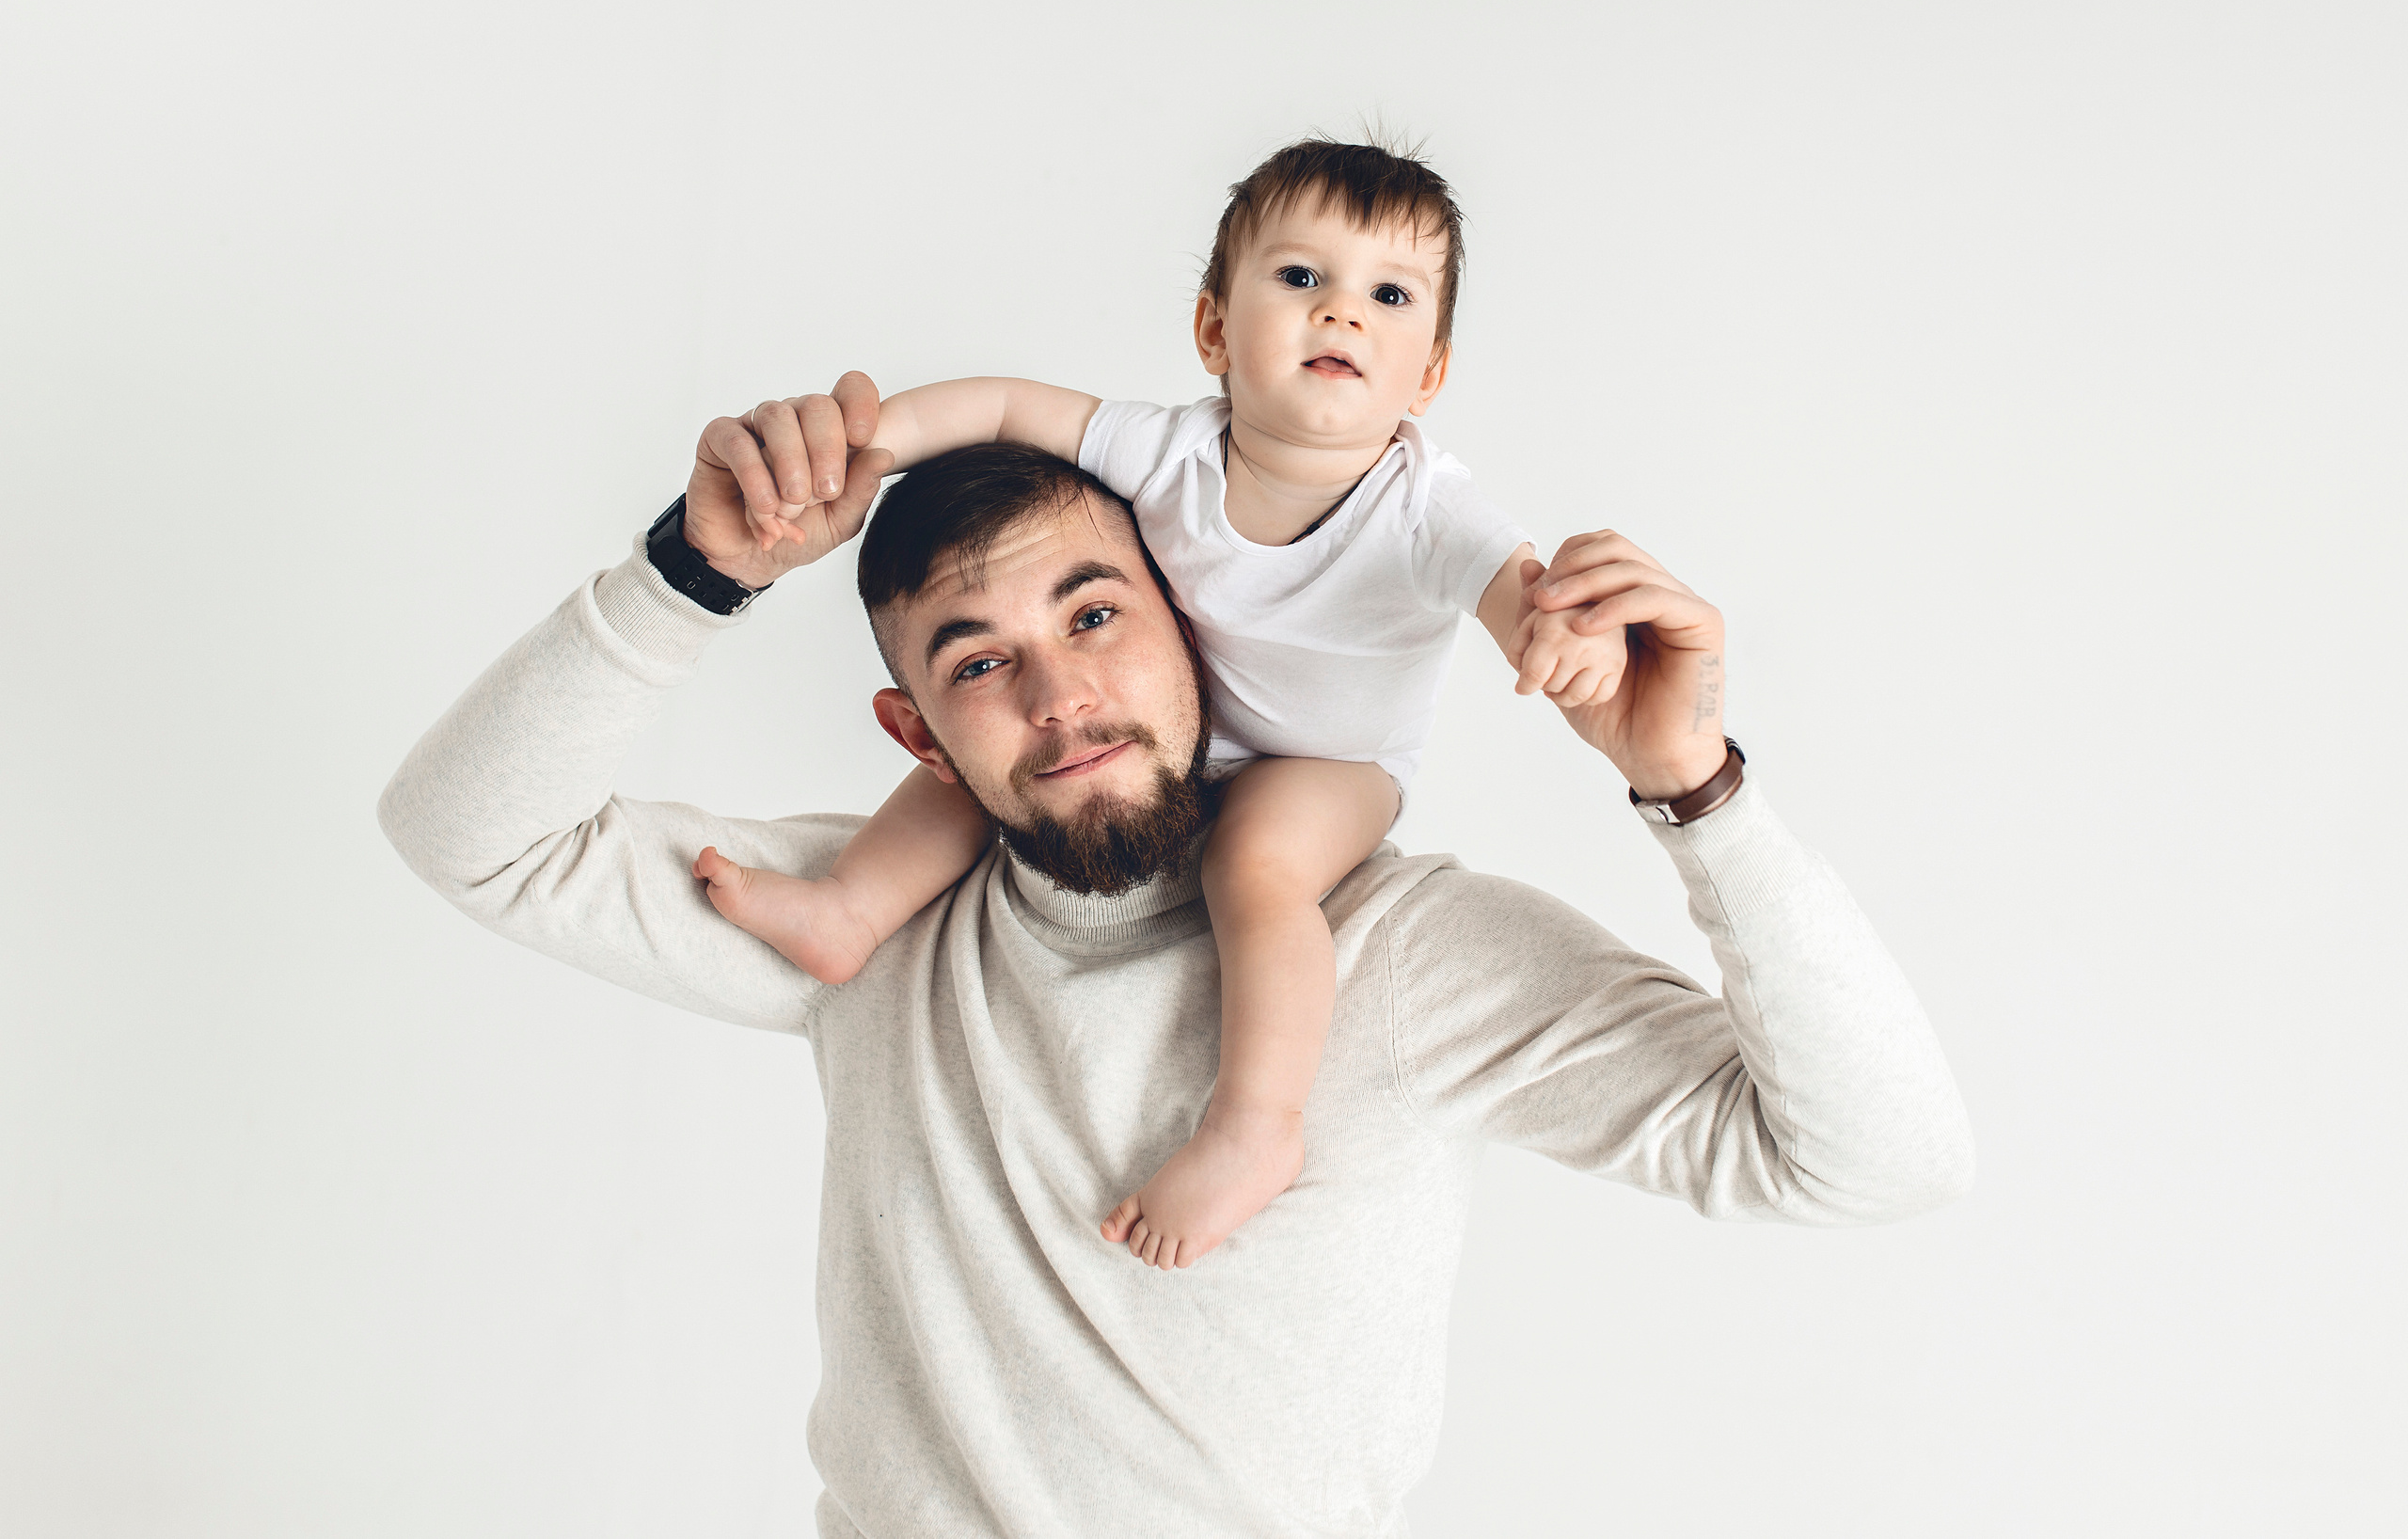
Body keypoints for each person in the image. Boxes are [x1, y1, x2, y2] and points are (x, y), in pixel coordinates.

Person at [379, 399, 1974, 1538]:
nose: (1064, 696)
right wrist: (687, 576)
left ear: (1196, 626)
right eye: (981, 662)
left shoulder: (1400, 947)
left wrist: (1695, 790)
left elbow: (1871, 1162)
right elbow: (468, 833)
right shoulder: (867, 923)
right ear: (916, 735)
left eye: (1097, 615)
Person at [691, 140, 1616, 1268]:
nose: (1342, 315)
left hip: (1333, 766)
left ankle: (1254, 1124)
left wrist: (1558, 636)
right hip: (1173, 731)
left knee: (1254, 865)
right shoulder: (1169, 449)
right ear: (1215, 331)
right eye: (1298, 279)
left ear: (1427, 373)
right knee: (995, 765)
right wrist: (865, 454)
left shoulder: (1428, 509)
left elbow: (1512, 591)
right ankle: (851, 910)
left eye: (1388, 295)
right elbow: (1000, 403)